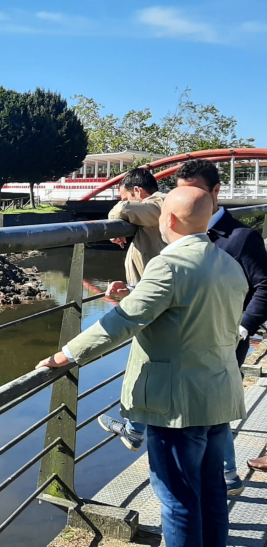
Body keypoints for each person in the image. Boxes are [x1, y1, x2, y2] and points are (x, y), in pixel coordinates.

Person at [37, 186, 248, 547]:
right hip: (217, 394)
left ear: (167, 220)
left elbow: (121, 324)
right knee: (211, 493)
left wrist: (66, 355)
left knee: (178, 500)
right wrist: (135, 293)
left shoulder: (168, 265)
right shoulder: (227, 263)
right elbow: (189, 310)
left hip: (175, 404)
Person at [174, 159, 267, 494]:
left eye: (197, 192)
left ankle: (218, 478)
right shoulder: (177, 233)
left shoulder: (241, 237)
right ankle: (222, 477)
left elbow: (265, 286)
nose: (189, 202)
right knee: (200, 411)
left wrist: (241, 330)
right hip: (185, 340)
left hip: (225, 341)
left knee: (208, 412)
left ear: (216, 192)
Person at [97, 169, 167, 451]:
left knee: (148, 362)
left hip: (157, 296)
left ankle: (137, 430)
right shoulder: (154, 211)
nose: (122, 200)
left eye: (124, 192)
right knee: (149, 361)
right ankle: (137, 427)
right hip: (150, 293)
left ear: (138, 192)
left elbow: (124, 208)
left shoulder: (161, 204)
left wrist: (118, 216)